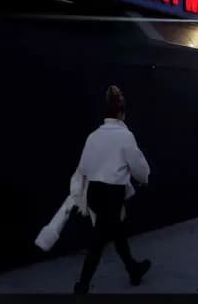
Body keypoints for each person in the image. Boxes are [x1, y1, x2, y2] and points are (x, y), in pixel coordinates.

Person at [73, 85, 152, 294]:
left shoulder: (93, 136)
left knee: (116, 232)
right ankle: (82, 285)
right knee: (100, 239)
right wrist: (143, 178)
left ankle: (133, 269)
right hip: (112, 195)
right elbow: (139, 167)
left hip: (95, 194)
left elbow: (84, 168)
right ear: (120, 113)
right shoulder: (125, 136)